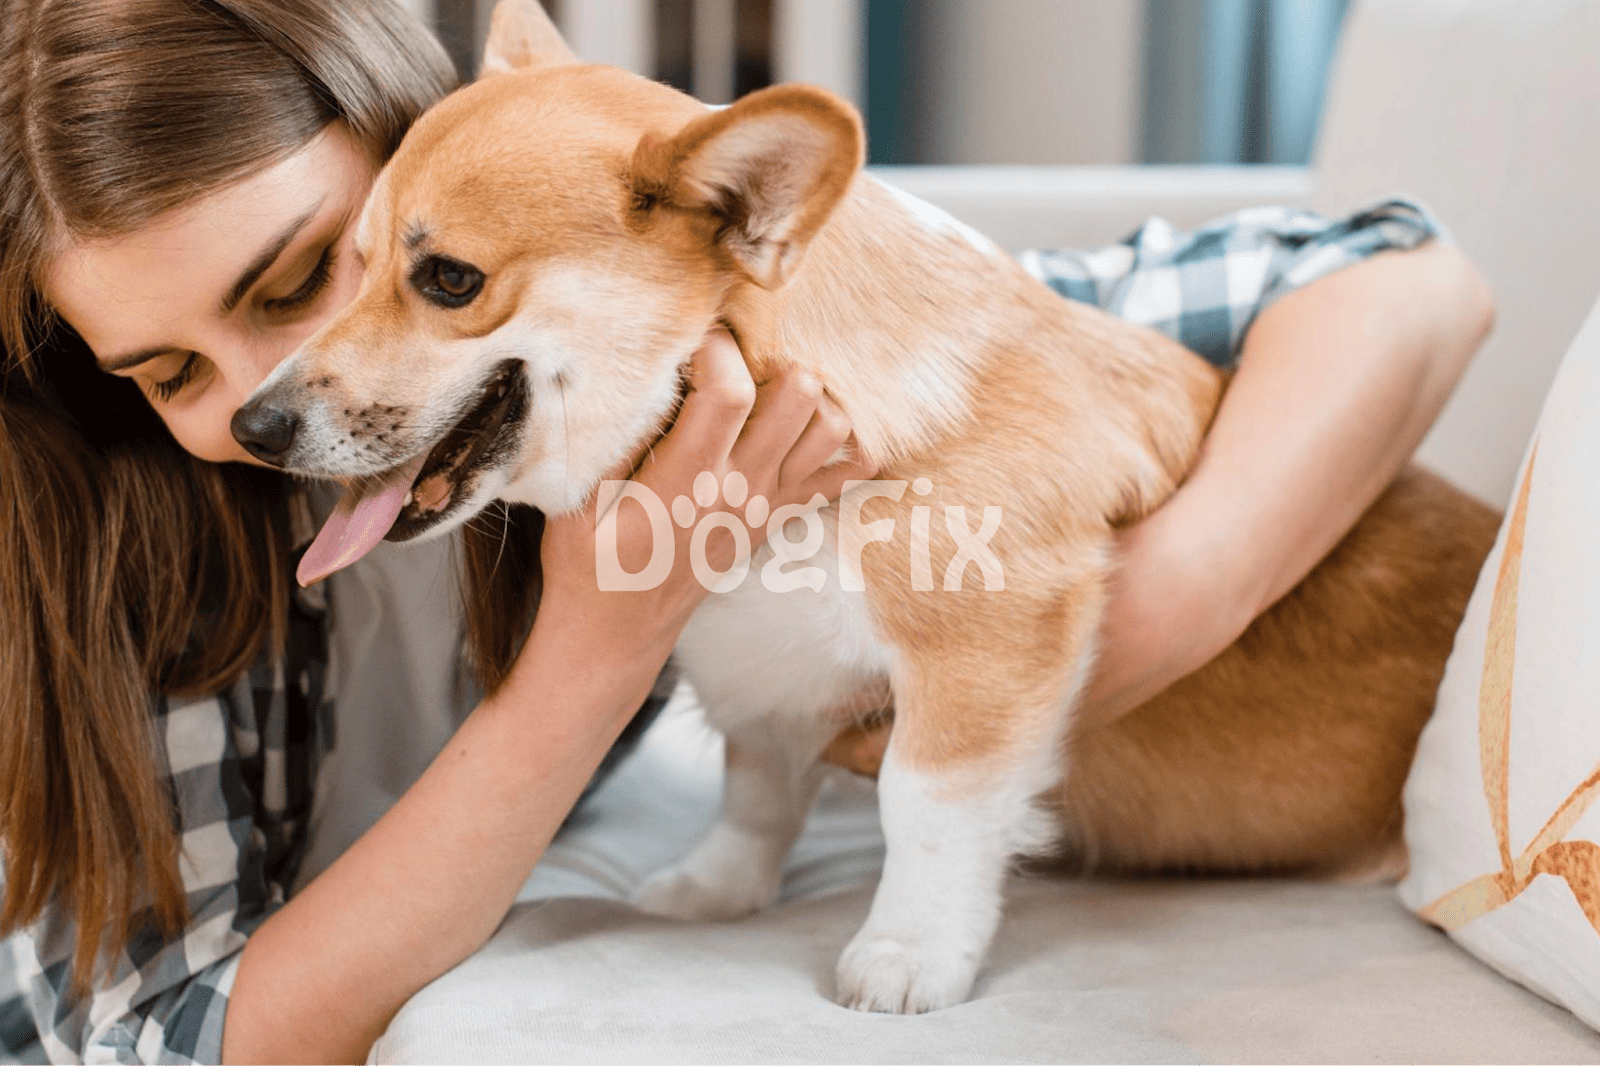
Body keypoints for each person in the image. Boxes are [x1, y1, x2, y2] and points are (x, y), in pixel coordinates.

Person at [0, 1, 1493, 1062]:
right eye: (168, 370)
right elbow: (171, 1041)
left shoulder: (725, 349)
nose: (270, 400)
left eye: (305, 275)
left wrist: (1154, 614)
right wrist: (596, 644)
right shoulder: (115, 556)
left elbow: (1403, 277)